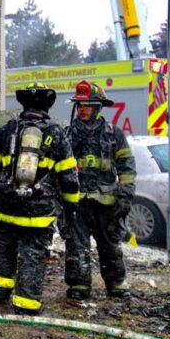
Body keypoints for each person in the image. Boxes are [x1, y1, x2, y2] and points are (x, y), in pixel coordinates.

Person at [0, 82, 80, 315]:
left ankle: (1, 289)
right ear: (47, 105)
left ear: (23, 103)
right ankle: (27, 302)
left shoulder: (9, 128)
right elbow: (69, 177)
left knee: (4, 246)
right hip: (38, 212)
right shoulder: (56, 134)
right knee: (33, 253)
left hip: (6, 207)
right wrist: (71, 206)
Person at [62, 81, 136, 300]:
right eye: (80, 105)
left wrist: (125, 196)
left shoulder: (114, 134)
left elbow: (127, 168)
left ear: (98, 107)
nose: (83, 109)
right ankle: (79, 285)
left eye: (88, 105)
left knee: (110, 246)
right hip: (76, 203)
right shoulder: (67, 135)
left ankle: (116, 284)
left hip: (107, 204)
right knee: (76, 246)